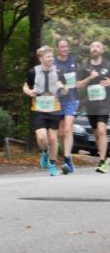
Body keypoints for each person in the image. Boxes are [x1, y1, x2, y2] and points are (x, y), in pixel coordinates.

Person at [22, 46, 68, 177]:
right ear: (40, 58)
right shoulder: (33, 72)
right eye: (48, 56)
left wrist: (63, 87)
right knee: (42, 137)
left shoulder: (59, 71)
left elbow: (65, 91)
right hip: (39, 108)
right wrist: (29, 92)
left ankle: (52, 165)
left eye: (52, 56)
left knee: (53, 139)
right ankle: (44, 152)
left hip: (54, 108)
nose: (51, 59)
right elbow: (25, 86)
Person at [76, 40, 110, 174]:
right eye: (92, 47)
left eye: (98, 47)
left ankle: (101, 162)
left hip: (104, 103)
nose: (95, 49)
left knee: (101, 131)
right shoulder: (85, 67)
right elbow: (78, 85)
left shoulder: (108, 65)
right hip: (91, 105)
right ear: (90, 50)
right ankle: (104, 156)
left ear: (102, 50)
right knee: (96, 133)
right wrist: (90, 78)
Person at [54, 38, 81, 174]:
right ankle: (67, 155)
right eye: (62, 46)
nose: (64, 49)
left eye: (66, 46)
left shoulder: (74, 60)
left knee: (68, 128)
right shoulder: (53, 62)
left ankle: (66, 159)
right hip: (58, 101)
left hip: (72, 99)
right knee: (60, 132)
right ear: (57, 48)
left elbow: (79, 77)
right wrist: (58, 84)